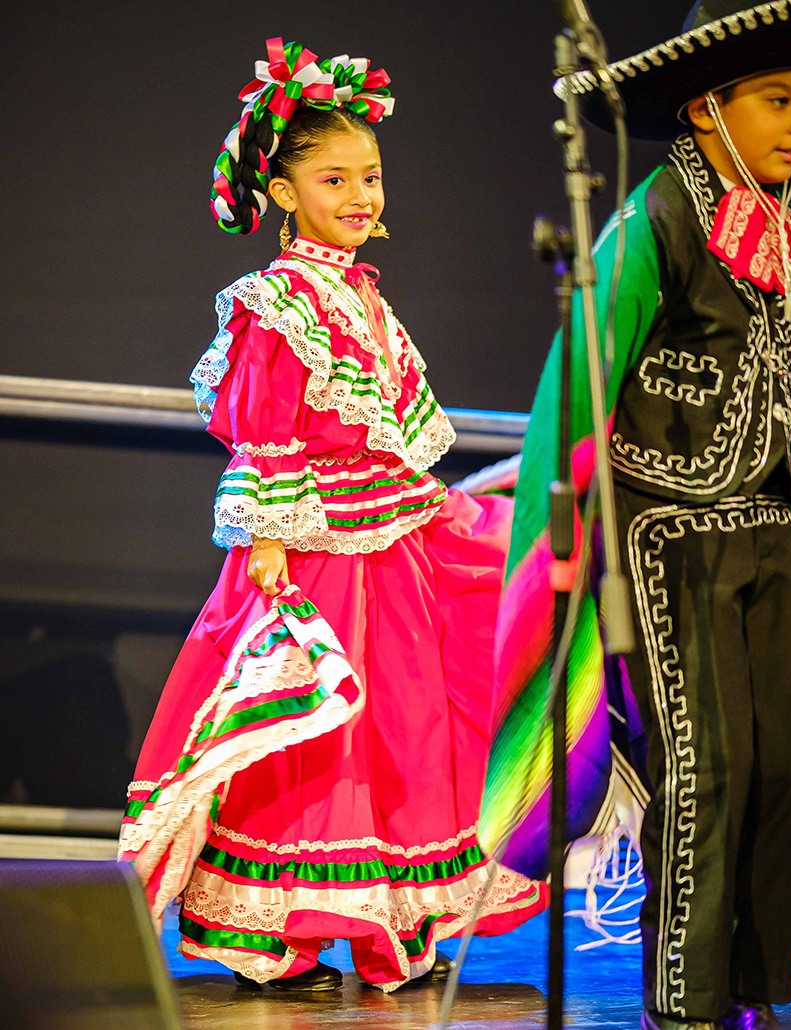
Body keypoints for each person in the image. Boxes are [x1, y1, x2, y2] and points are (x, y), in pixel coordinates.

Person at [119, 37, 548, 994]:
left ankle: (396, 922)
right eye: (333, 178)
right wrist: (267, 538)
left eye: (372, 176)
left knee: (403, 731)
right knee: (311, 739)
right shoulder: (276, 302)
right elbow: (264, 430)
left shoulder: (361, 296)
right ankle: (282, 934)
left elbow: (389, 431)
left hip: (391, 544)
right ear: (281, 191)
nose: (361, 196)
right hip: (310, 549)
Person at [478, 2, 791, 1029]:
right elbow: (577, 387)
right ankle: (687, 999)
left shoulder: (785, 237)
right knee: (707, 766)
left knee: (787, 763)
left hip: (764, 531)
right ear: (705, 108)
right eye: (775, 100)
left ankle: (757, 990)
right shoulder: (655, 220)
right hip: (668, 536)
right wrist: (564, 535)